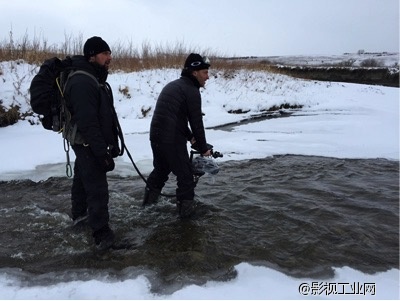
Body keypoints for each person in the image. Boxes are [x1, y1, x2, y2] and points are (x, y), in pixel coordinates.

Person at [63, 36, 124, 251]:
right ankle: (102, 237)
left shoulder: (92, 78)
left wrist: (112, 143)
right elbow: (88, 122)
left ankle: (80, 219)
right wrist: (101, 153)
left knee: (82, 180)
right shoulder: (82, 81)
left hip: (87, 142)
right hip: (86, 142)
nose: (109, 57)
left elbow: (103, 115)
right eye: (105, 54)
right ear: (92, 56)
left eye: (109, 53)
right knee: (97, 189)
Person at [143, 53, 212, 218]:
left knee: (161, 170)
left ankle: (146, 208)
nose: (207, 77)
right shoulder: (191, 90)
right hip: (170, 139)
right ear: (194, 72)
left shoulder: (175, 85)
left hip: (156, 136)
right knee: (186, 178)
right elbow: (196, 123)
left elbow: (176, 118)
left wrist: (190, 138)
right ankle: (186, 221)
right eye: (204, 72)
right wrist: (203, 148)